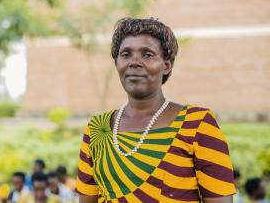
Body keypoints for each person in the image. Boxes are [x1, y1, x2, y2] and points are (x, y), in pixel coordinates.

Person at [76, 17, 236, 203]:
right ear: (117, 63)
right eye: (126, 54)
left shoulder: (197, 123)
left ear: (166, 66)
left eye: (148, 54)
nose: (134, 62)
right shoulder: (97, 128)